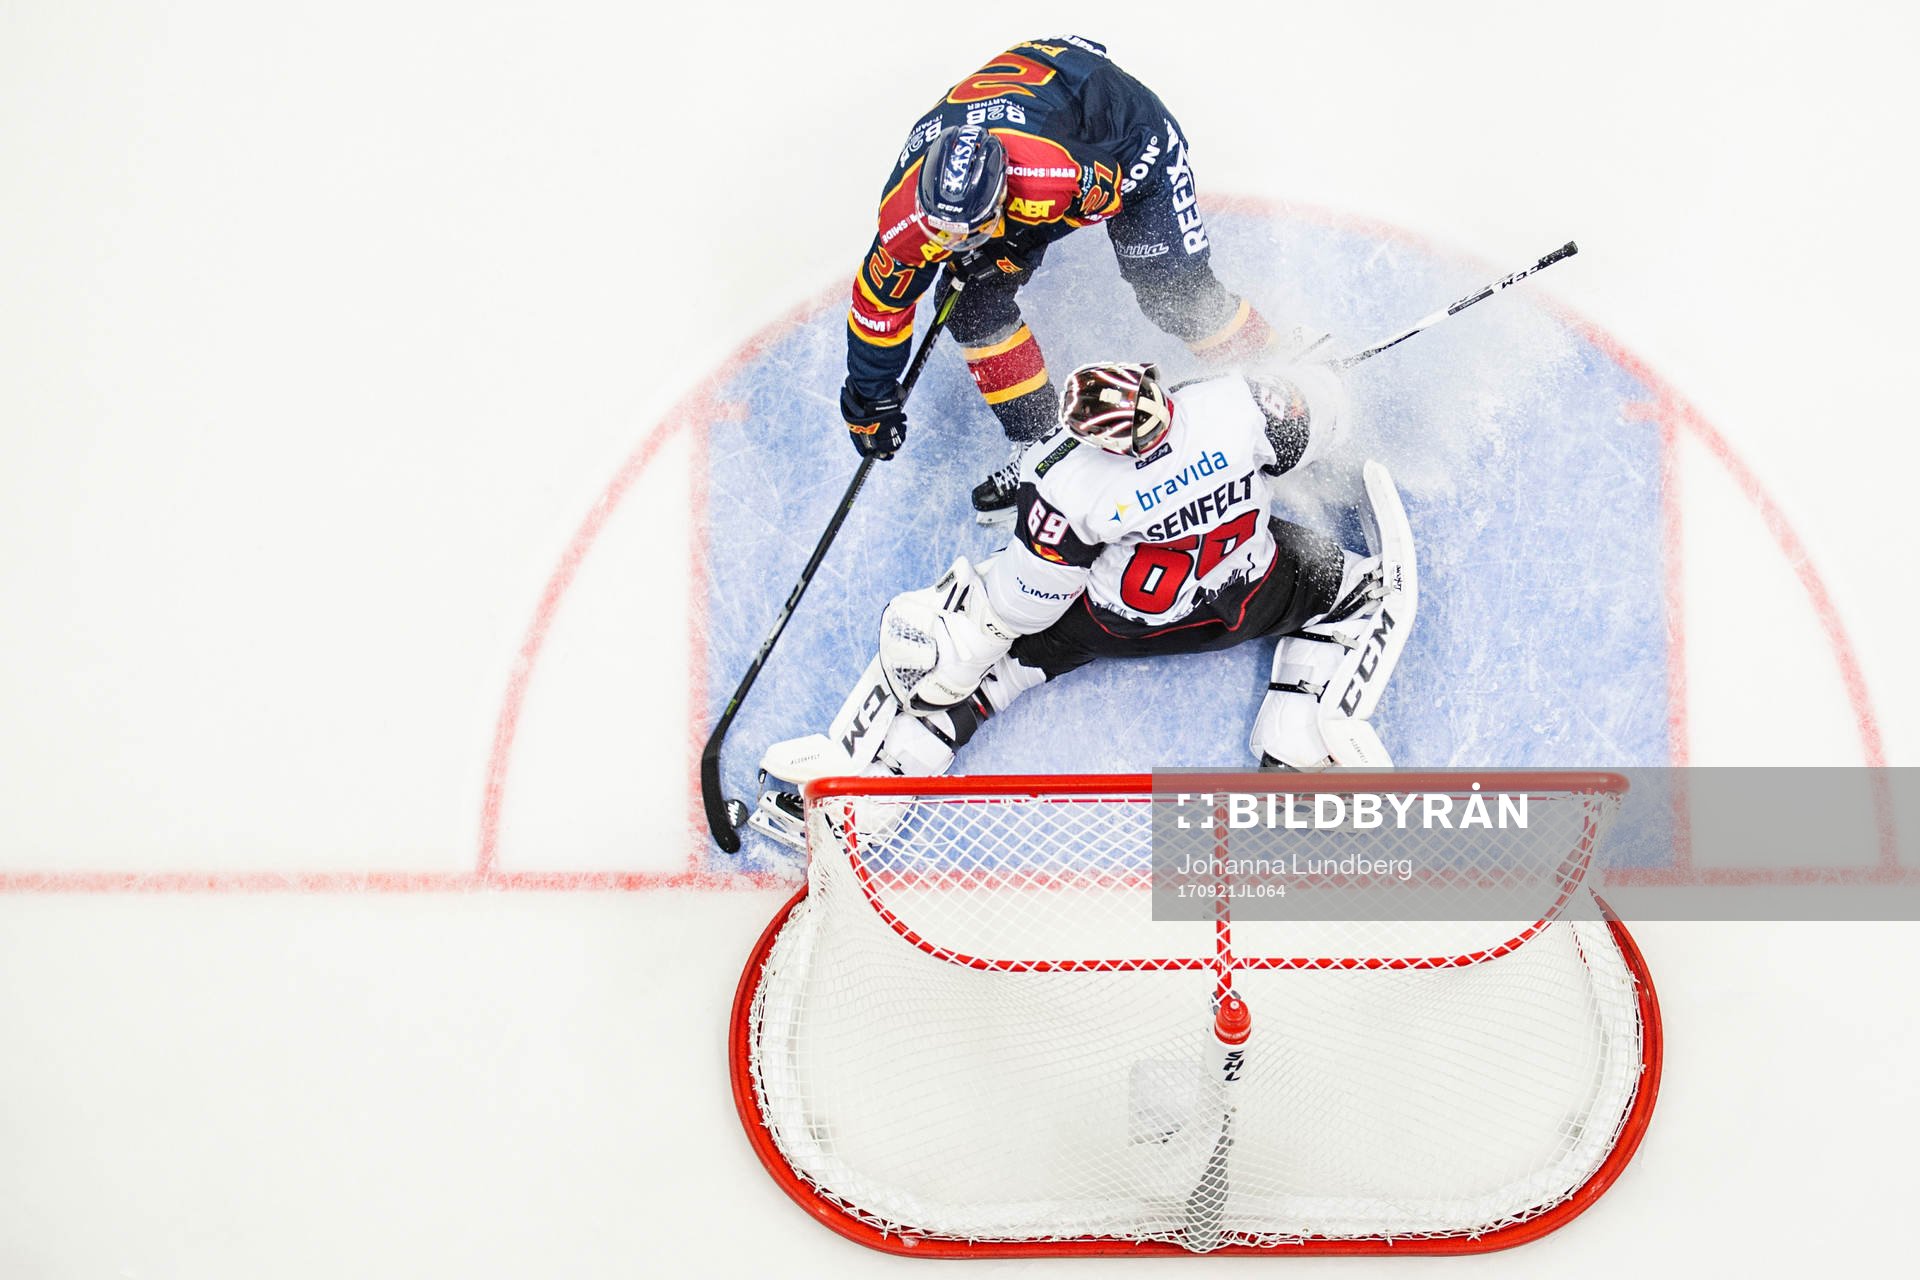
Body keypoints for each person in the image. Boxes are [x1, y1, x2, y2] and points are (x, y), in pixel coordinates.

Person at [750, 360, 1416, 849]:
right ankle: (1297, 747)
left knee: (990, 663)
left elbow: (1025, 603)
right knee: (1353, 589)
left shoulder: (1070, 483)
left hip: (1124, 625)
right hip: (1249, 591)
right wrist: (1319, 379)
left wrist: (969, 632)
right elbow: (1314, 422)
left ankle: (862, 805)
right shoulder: (1238, 405)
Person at [840, 36, 1296, 523]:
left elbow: (1108, 196)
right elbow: (876, 313)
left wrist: (1008, 252)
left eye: (972, 232)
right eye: (943, 234)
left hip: (1122, 136)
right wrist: (868, 401)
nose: (953, 244)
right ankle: (1043, 447)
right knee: (973, 307)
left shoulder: (1051, 176)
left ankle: (1283, 369)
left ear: (1002, 197)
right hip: (1037, 102)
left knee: (1171, 293)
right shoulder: (903, 222)